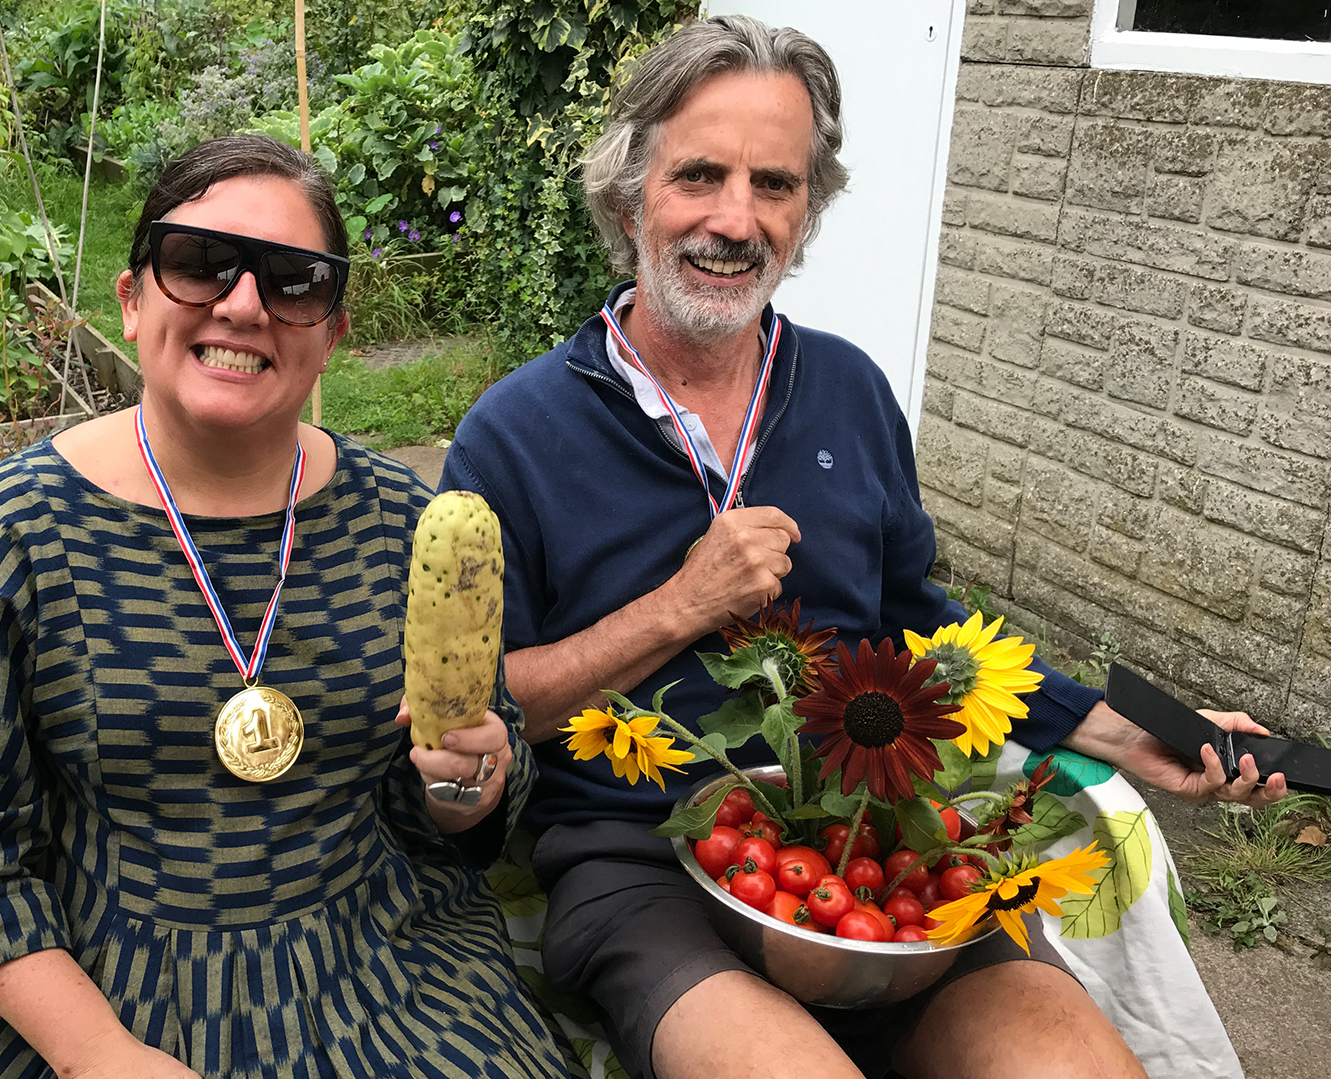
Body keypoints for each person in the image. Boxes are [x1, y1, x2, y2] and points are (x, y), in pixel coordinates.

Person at [438, 15, 1288, 1079]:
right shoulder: (514, 433)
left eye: (776, 185)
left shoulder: (847, 390)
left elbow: (921, 627)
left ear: (810, 210)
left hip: (874, 837)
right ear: (629, 194)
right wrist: (681, 605)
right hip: (638, 858)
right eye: (700, 174)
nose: (735, 219)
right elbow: (472, 707)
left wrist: (1133, 732)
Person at [0, 135, 576, 1079]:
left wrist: (464, 784)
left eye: (294, 280)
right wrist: (100, 1056)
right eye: (199, 263)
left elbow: (460, 812)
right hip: (92, 987)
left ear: (334, 332)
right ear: (134, 300)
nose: (244, 303)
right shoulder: (16, 531)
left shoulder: (404, 521)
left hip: (374, 970)